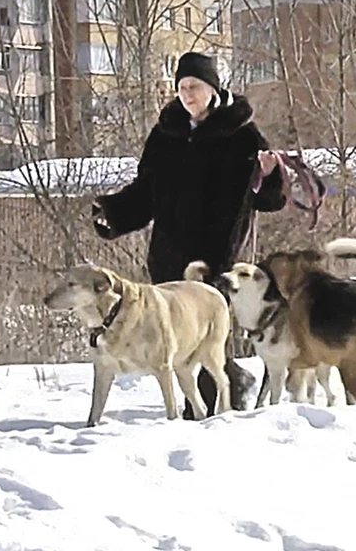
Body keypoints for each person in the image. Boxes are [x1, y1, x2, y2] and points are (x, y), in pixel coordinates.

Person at [91, 51, 288, 417]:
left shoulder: (242, 134)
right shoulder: (167, 133)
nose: (187, 94)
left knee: (208, 331)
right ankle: (221, 391)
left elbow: (270, 199)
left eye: (194, 86)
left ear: (212, 88)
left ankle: (209, 411)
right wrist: (114, 213)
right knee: (178, 335)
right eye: (182, 87)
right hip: (170, 251)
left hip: (220, 252)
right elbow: (146, 190)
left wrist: (272, 175)